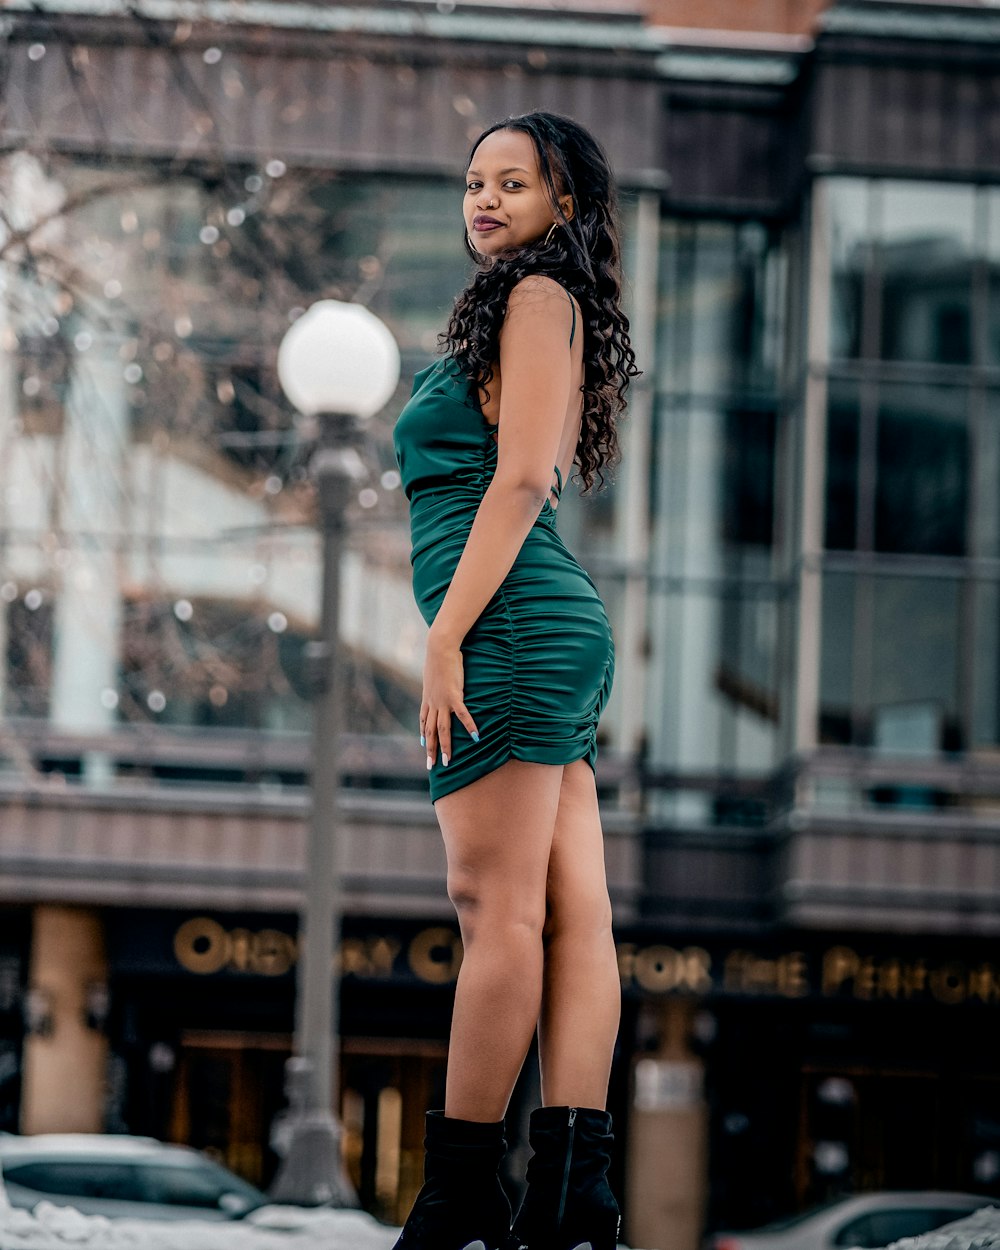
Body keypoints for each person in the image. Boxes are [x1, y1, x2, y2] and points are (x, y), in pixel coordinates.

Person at [391, 110, 639, 1250]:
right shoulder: (525, 305)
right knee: (568, 913)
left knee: (495, 914)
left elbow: (525, 476)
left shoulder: (539, 300)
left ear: (565, 205)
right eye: (474, 181)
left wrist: (443, 637)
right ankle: (568, 1191)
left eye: (514, 182)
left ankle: (460, 1196)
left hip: (506, 628)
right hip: (534, 623)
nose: (484, 198)